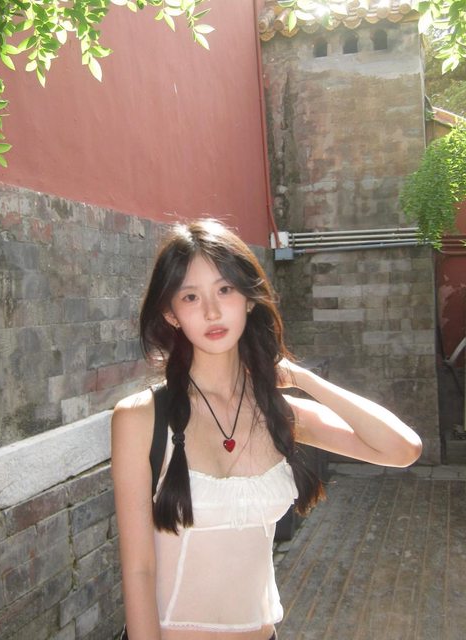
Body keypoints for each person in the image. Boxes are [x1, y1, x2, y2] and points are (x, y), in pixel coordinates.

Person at [111, 218, 422, 640]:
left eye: (226, 289)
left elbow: (403, 448)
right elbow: (139, 570)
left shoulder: (280, 415)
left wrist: (304, 379)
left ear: (249, 299)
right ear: (171, 313)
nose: (212, 311)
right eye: (191, 296)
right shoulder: (140, 419)